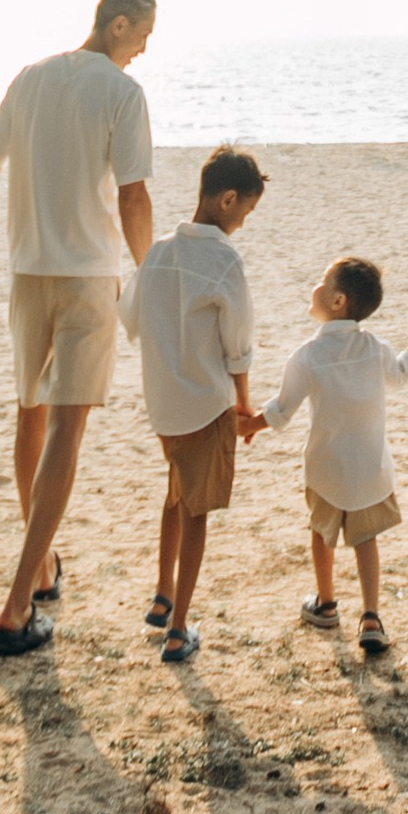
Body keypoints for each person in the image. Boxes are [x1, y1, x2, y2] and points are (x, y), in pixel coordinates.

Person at [0, 0, 158, 661]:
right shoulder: (123, 93)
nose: (143, 50)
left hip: (28, 278)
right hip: (86, 280)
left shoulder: (29, 78)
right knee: (66, 433)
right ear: (117, 26)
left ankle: (41, 570)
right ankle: (17, 606)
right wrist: (152, 272)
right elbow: (134, 198)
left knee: (32, 417)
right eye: (142, 36)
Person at [131, 148, 267, 664]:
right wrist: (244, 406)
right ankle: (179, 627)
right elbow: (238, 345)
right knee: (197, 512)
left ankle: (162, 595)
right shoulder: (224, 259)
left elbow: (133, 317)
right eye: (246, 212)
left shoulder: (159, 251)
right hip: (205, 404)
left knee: (175, 496)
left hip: (163, 402)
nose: (244, 223)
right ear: (228, 199)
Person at [265, 253, 408, 659]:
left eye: (322, 281)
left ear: (337, 302)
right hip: (370, 467)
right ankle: (370, 616)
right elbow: (401, 374)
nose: (315, 286)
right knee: (365, 538)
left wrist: (247, 424)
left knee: (322, 530)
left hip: (326, 466)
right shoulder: (375, 347)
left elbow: (281, 409)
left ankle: (327, 603)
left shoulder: (307, 355)